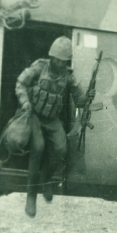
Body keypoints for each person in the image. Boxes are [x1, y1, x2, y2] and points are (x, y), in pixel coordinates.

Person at [15, 36, 95, 218]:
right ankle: (31, 197)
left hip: (51, 119)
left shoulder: (68, 76)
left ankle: (46, 179)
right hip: (34, 115)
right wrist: (25, 102)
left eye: (63, 60)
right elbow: (21, 83)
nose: (60, 63)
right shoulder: (39, 67)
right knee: (38, 147)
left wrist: (88, 97)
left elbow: (80, 101)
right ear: (51, 57)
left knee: (61, 149)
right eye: (57, 59)